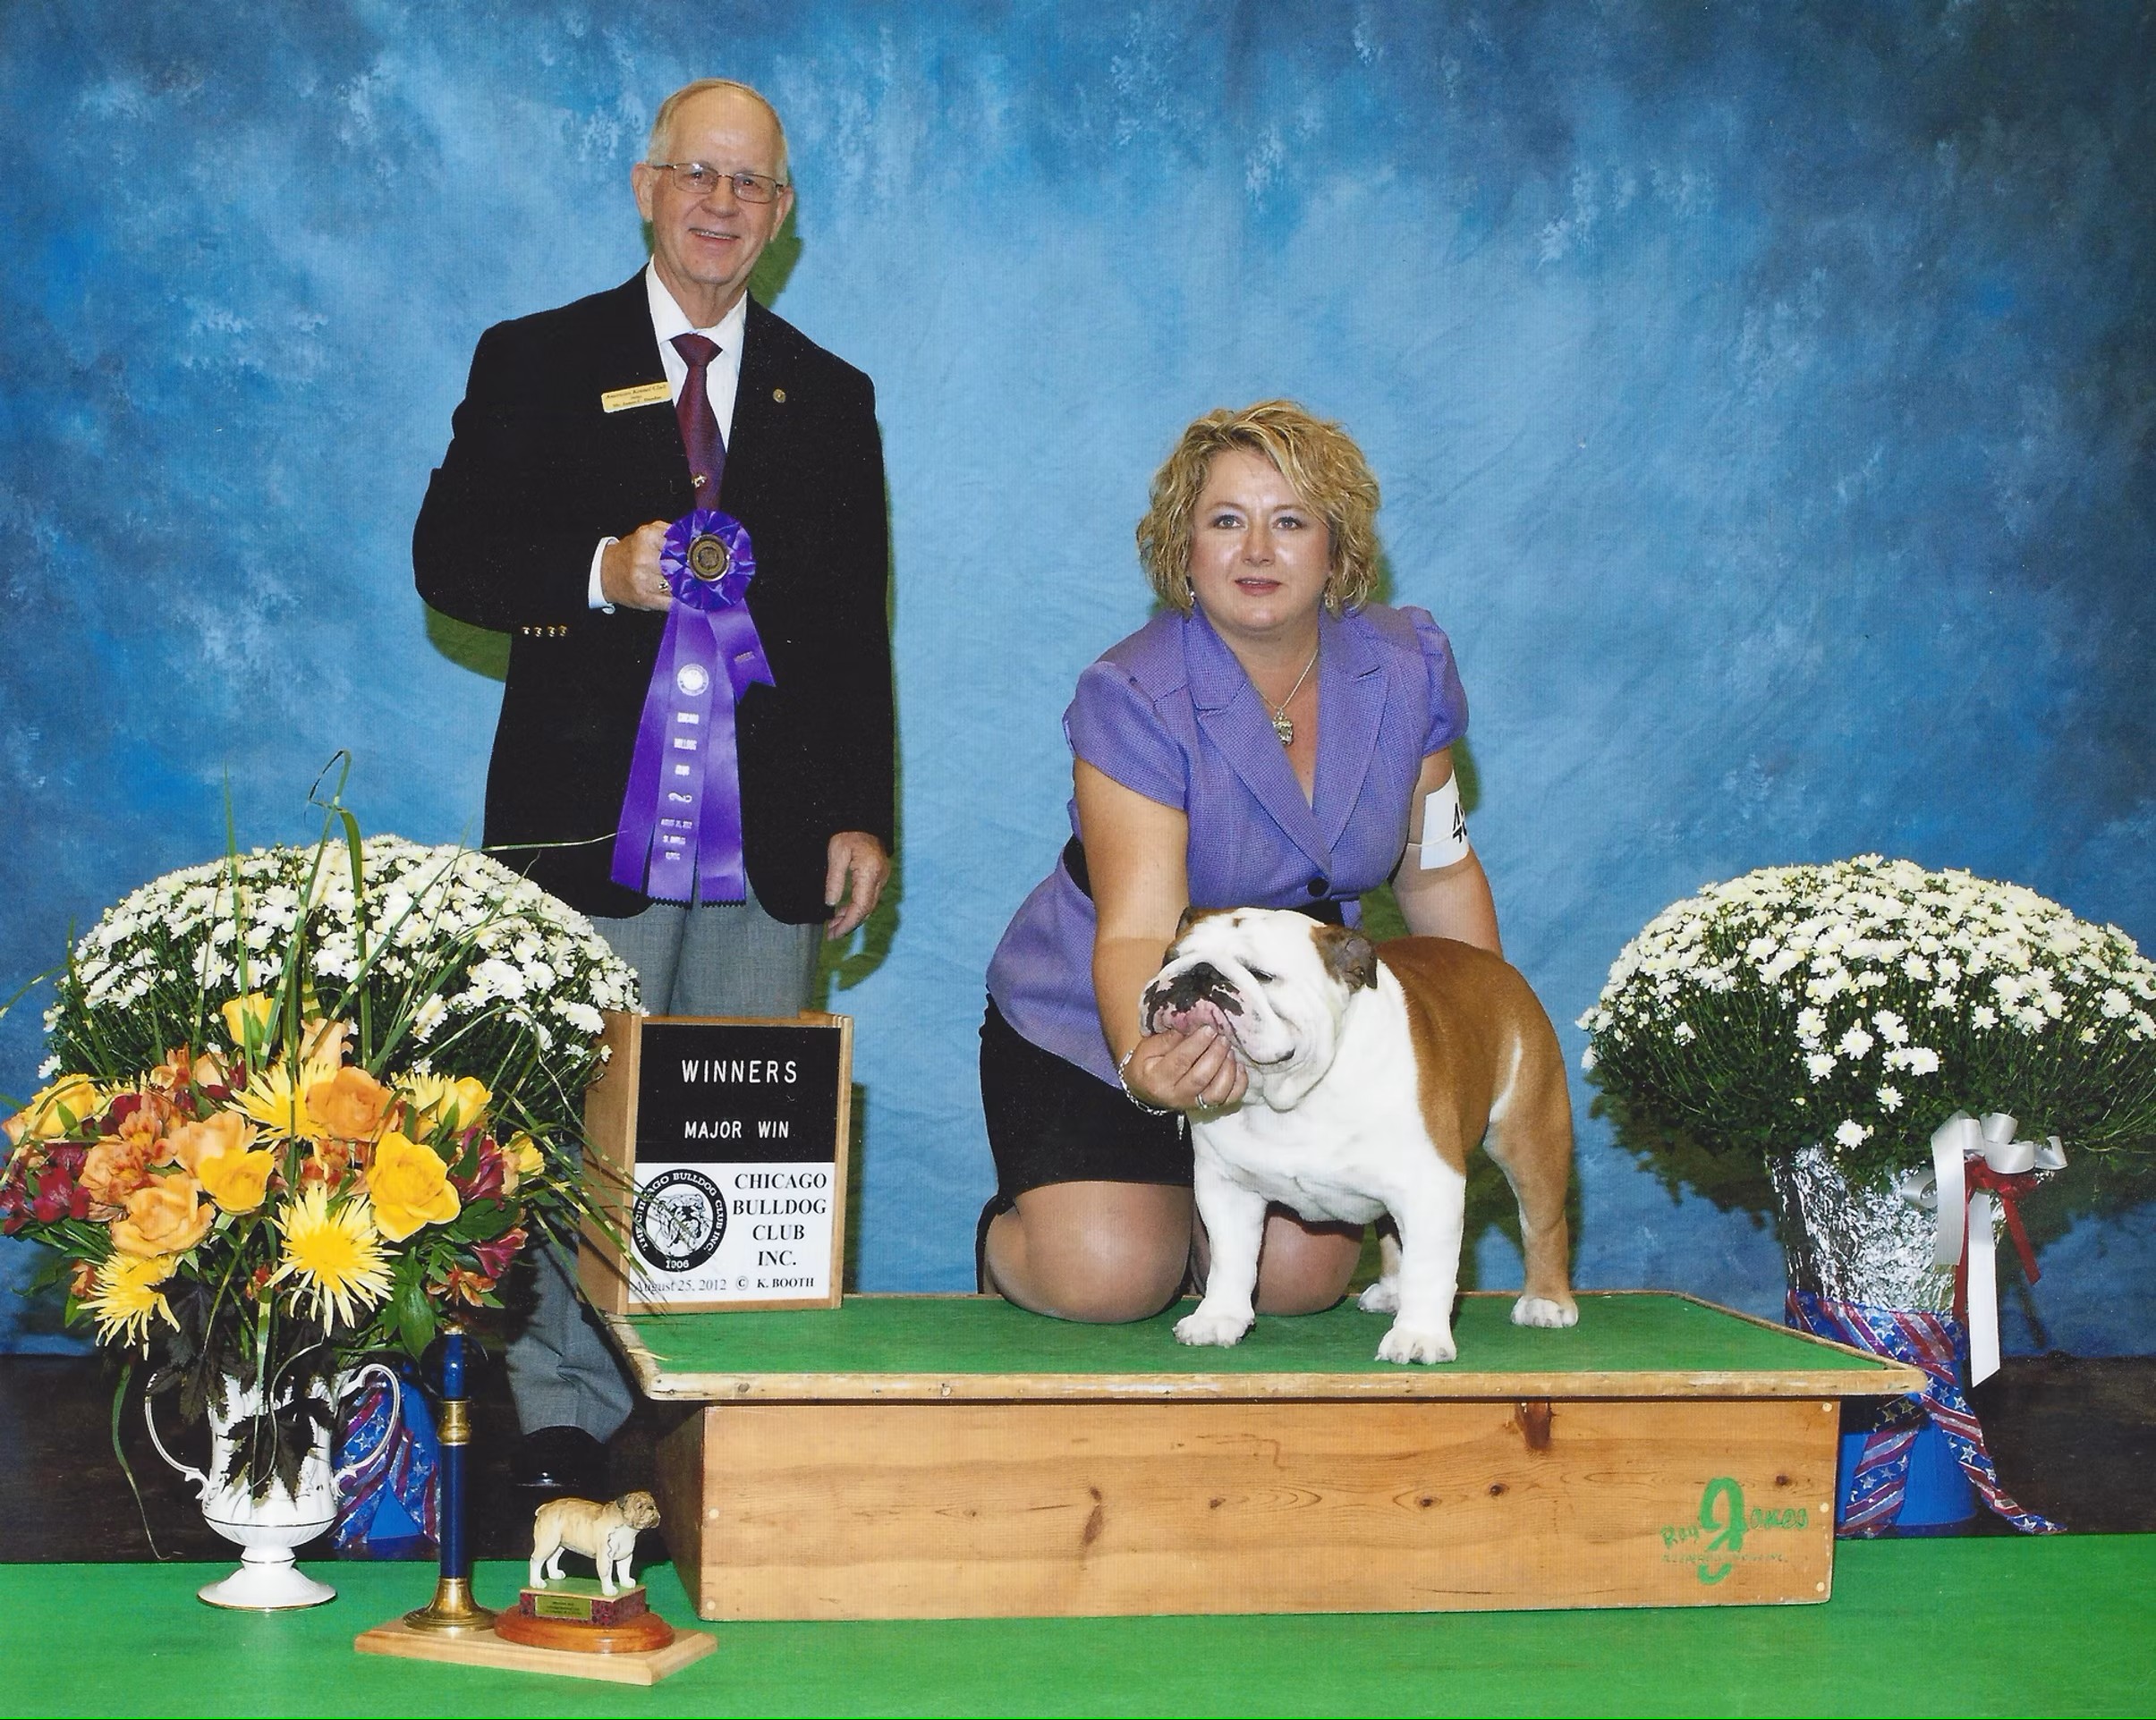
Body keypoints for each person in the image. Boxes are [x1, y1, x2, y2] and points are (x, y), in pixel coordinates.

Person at [413, 79, 893, 1490]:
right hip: (583, 818)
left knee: (739, 1107)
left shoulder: (832, 392)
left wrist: (864, 807)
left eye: (751, 185)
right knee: (577, 1107)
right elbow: (451, 562)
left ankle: (717, 1391)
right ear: (645, 185)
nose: (721, 205)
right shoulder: (534, 357)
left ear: (783, 213)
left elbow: (852, 623)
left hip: (777, 823)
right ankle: (560, 1395)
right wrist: (599, 573)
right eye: (699, 174)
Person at [980, 401, 1500, 1322]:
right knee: (1108, 1282)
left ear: (1338, 553)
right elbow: (1140, 925)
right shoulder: (1130, 692)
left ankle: (1193, 1240)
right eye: (1226, 521)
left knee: (1294, 1288)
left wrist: (1476, 1054)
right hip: (1103, 1014)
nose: (1257, 550)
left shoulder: (1408, 667)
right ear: (1182, 551)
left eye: (1289, 521)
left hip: (1299, 1018)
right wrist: (1148, 1060)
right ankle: (1035, 1236)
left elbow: (1437, 872)